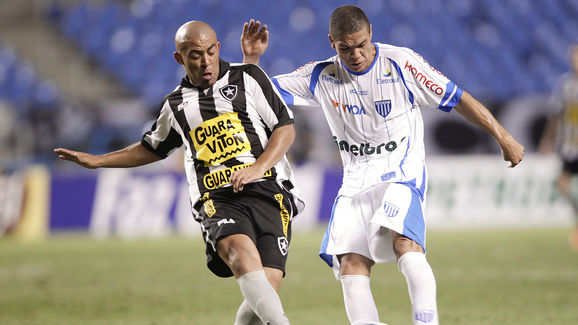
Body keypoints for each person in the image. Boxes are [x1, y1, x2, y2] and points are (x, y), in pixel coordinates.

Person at [242, 5, 524, 325]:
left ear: (371, 33)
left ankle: (426, 321)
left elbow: (457, 97)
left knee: (405, 242)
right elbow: (257, 91)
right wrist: (252, 61)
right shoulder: (321, 75)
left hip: (400, 171)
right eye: (346, 48)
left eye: (361, 44)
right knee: (350, 263)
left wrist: (503, 136)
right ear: (332, 43)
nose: (356, 54)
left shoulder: (401, 63)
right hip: (354, 181)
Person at [55, 20, 304, 325]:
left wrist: (257, 167)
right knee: (240, 256)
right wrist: (99, 161)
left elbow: (285, 129)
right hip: (217, 197)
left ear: (218, 49)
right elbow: (153, 147)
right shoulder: (175, 105)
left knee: (266, 288)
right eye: (195, 55)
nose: (205, 61)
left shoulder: (249, 76)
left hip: (267, 190)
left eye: (210, 52)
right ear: (180, 58)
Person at [539, 44, 578, 251]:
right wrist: (548, 141)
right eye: (573, 58)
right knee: (562, 184)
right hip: (570, 147)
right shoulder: (565, 85)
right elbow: (555, 116)